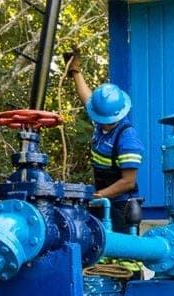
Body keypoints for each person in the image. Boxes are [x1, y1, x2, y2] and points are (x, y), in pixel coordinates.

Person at [66, 55, 144, 278]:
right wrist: (76, 73)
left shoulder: (127, 139)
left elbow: (128, 181)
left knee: (126, 263)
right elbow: (88, 99)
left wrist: (97, 196)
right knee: (100, 257)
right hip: (103, 202)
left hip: (120, 207)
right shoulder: (102, 126)